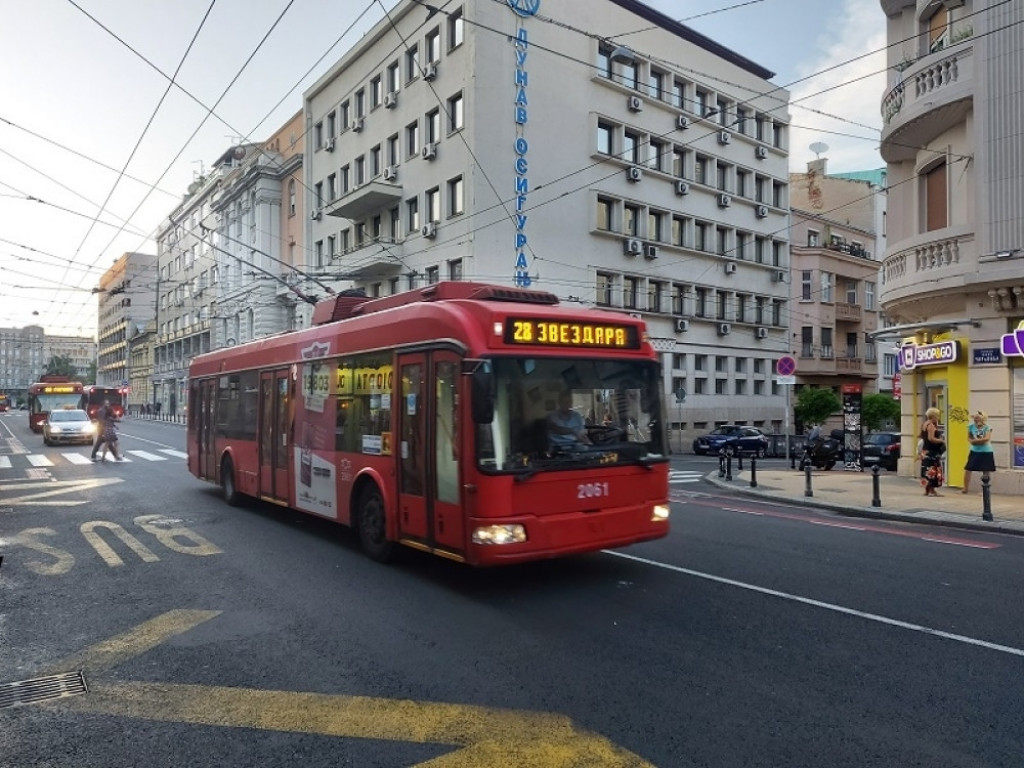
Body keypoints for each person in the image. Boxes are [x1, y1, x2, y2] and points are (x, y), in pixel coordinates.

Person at [962, 410, 995, 494]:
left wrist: (975, 441)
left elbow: (986, 439)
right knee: (968, 468)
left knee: (985, 469)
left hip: (986, 451)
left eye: (977, 418)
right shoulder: (971, 427)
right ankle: (965, 489)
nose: (975, 420)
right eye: (975, 418)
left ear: (982, 419)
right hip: (974, 451)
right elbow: (969, 437)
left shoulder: (987, 427)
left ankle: (984, 490)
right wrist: (972, 441)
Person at [919, 407, 946, 496]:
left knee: (926, 469)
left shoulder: (924, 424)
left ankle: (927, 490)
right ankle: (932, 490)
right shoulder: (930, 425)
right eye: (937, 415)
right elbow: (931, 438)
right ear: (933, 416)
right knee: (932, 470)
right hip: (932, 451)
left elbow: (923, 436)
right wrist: (941, 441)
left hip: (925, 450)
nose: (938, 417)